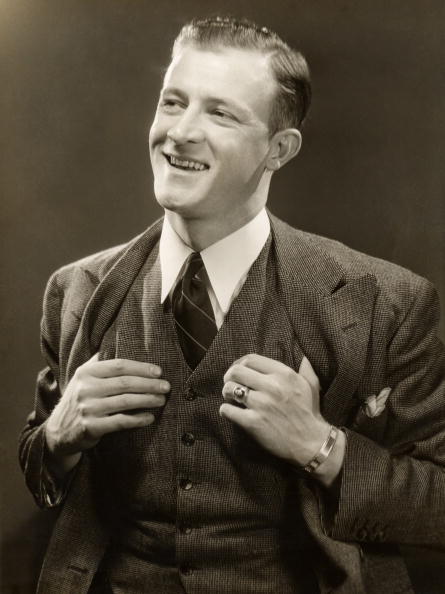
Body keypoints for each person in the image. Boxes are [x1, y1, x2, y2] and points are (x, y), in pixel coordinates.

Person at [19, 16, 445, 594]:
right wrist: (57, 439)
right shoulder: (77, 291)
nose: (180, 133)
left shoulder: (384, 302)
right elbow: (40, 466)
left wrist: (323, 448)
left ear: (279, 149)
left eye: (220, 113)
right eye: (173, 102)